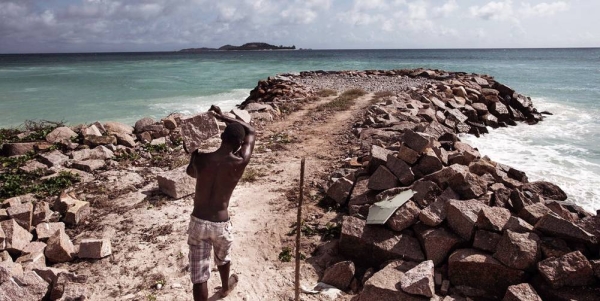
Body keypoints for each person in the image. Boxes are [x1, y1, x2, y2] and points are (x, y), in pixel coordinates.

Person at [186, 105, 256, 300]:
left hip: (198, 220)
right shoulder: (239, 161)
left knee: (199, 276)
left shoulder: (201, 159)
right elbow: (251, 130)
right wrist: (222, 116)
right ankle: (225, 288)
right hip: (220, 222)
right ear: (239, 143)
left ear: (221, 138)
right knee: (223, 258)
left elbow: (191, 173)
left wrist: (193, 154)